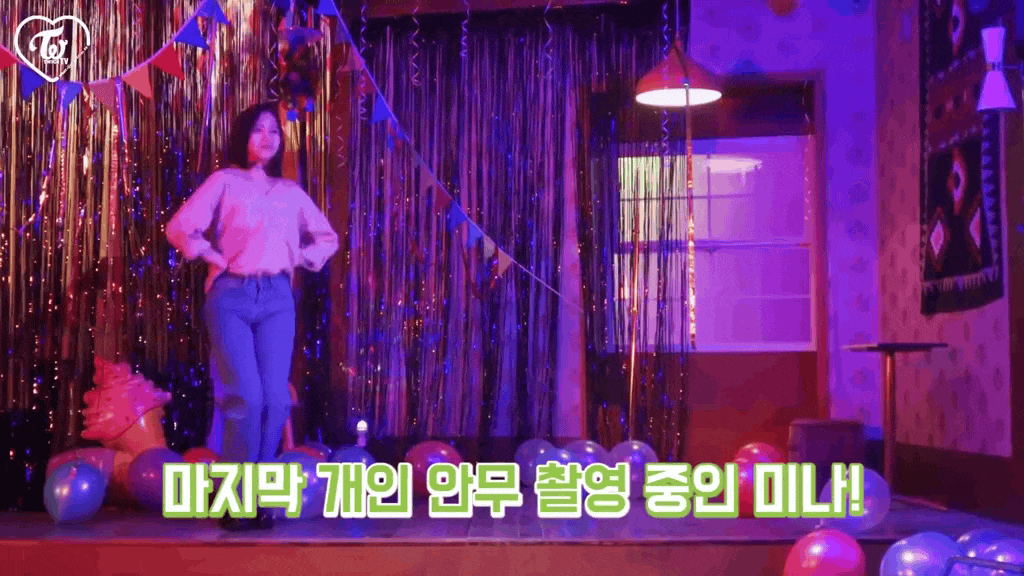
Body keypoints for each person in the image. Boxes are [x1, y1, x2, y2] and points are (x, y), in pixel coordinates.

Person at [165, 102, 339, 531]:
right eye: (258, 130)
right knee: (245, 397)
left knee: (276, 400)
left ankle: (254, 498)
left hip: (277, 296)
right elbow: (180, 227)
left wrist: (300, 257)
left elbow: (327, 237)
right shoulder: (224, 181)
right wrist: (211, 255)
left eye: (274, 131)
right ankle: (234, 500)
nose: (267, 138)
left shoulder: (290, 191)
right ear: (243, 135)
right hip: (232, 295)